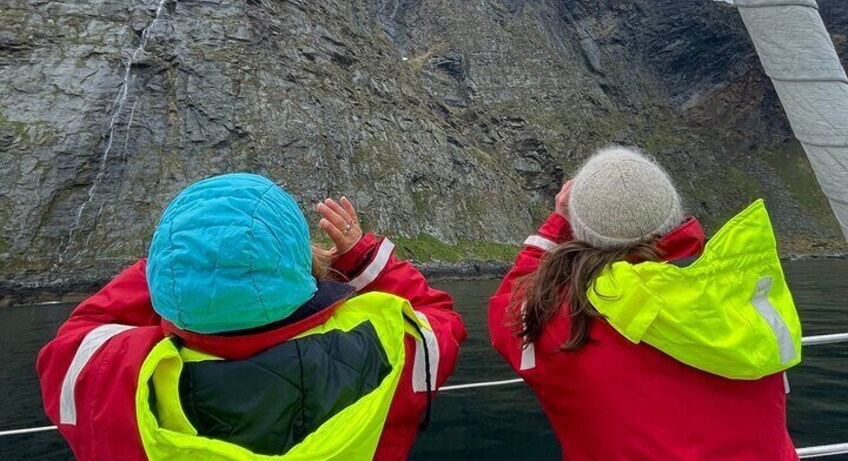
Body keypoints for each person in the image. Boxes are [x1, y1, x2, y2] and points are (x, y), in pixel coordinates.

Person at [37, 173, 466, 460]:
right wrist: (363, 257)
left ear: (164, 274)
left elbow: (81, 330)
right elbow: (438, 315)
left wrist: (187, 259)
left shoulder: (110, 375)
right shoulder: (386, 344)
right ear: (296, 263)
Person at [489, 147, 802, 460]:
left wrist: (556, 225)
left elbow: (510, 313)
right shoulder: (745, 296)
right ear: (673, 216)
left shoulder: (568, 324)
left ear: (581, 231)